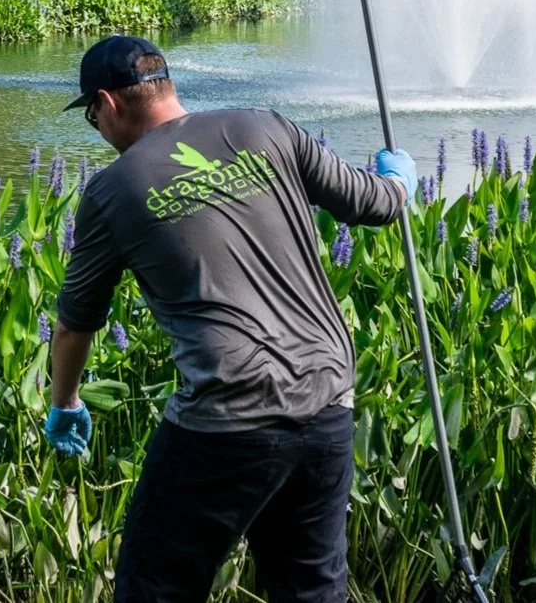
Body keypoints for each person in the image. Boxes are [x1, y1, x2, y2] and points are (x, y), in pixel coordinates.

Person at [44, 34, 414, 603]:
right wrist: (397, 180)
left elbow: (75, 324)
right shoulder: (266, 127)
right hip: (328, 402)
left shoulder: (113, 189)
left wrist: (65, 402)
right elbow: (375, 204)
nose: (94, 127)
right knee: (312, 591)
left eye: (90, 115)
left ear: (108, 102)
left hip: (227, 416)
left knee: (155, 588)